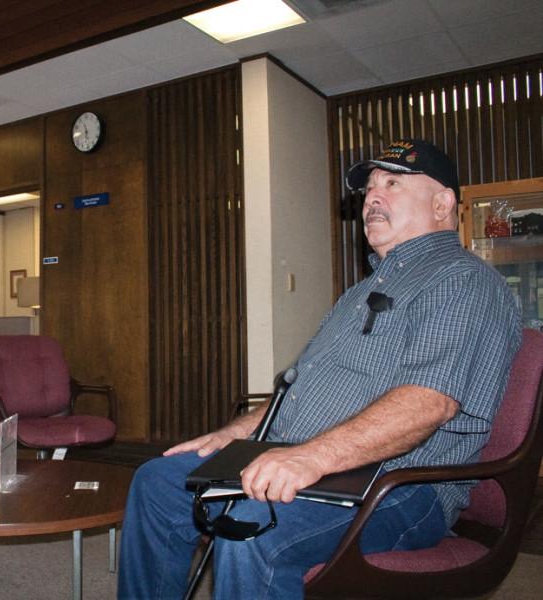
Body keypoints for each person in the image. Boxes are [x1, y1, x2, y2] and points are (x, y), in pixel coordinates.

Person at [117, 140, 522, 599]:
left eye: (392, 183)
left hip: (400, 484)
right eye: (369, 188)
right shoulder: (357, 294)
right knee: (156, 481)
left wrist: (309, 458)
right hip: (321, 460)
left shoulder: (462, 281)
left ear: (443, 203)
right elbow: (298, 392)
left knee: (254, 526)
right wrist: (237, 435)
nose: (372, 198)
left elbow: (428, 403)